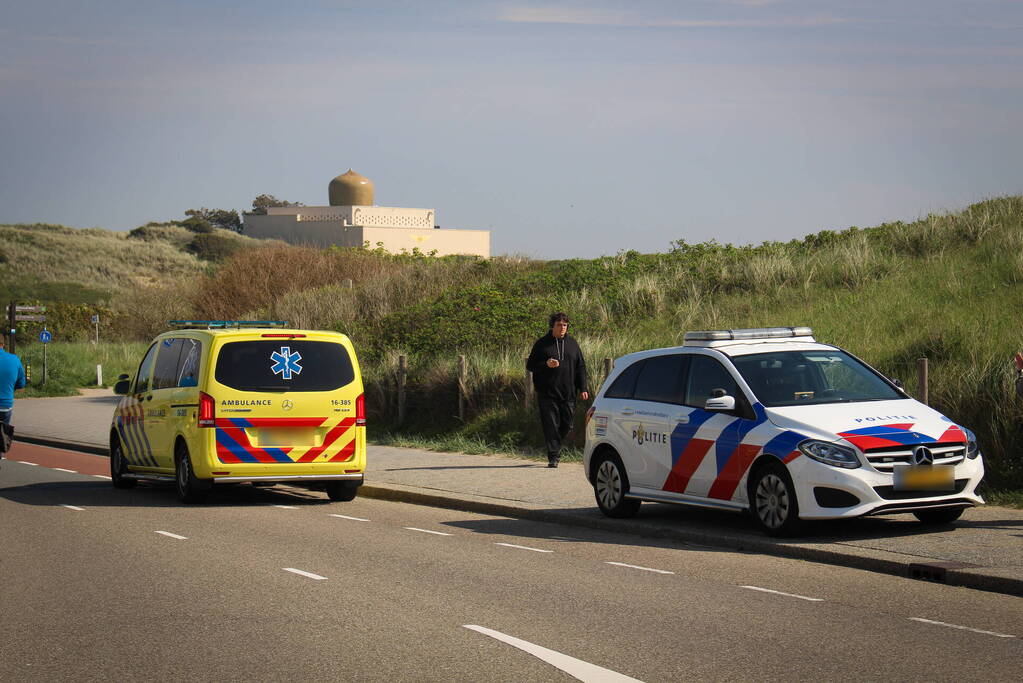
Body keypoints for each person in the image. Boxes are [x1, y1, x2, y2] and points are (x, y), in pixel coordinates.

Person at [526, 312, 589, 468]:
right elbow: (530, 366)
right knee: (551, 425)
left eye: (565, 325)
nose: (562, 328)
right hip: (547, 393)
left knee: (567, 424)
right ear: (552, 326)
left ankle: (555, 445)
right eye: (559, 325)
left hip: (568, 393)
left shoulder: (573, 344)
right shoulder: (541, 344)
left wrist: (583, 387)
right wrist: (546, 364)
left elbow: (580, 367)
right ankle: (553, 456)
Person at [0, 335, 26, 459]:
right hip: (5, 406)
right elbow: (21, 383)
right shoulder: (14, 359)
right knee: (1, 434)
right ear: (3, 344)